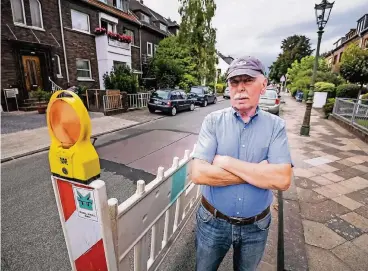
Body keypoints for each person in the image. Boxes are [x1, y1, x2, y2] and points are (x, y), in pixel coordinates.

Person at [191, 56, 293, 271]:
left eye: (247, 80)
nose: (240, 89)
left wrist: (226, 162)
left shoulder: (276, 127)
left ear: (263, 85)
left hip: (256, 226)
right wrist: (258, 173)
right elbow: (198, 174)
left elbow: (282, 179)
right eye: (234, 82)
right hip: (212, 221)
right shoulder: (213, 121)